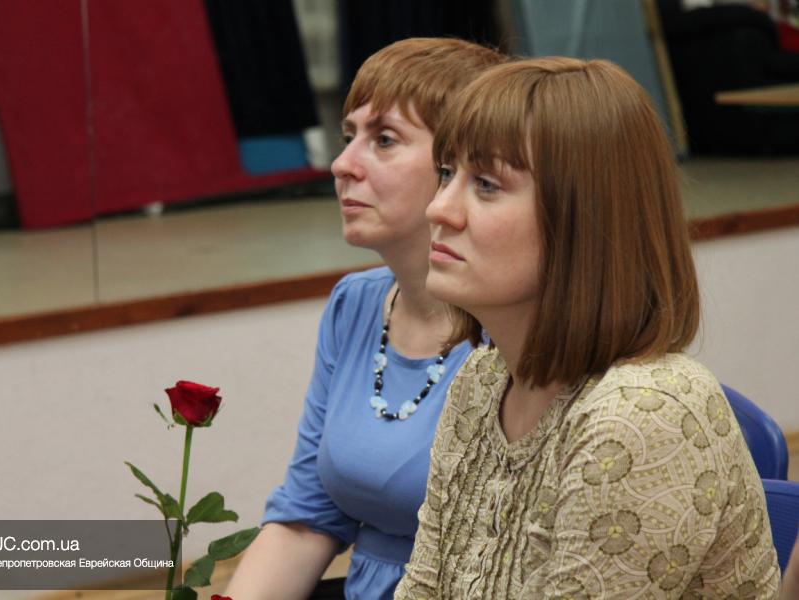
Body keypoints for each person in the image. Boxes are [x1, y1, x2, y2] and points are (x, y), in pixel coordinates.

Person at [394, 57, 781, 599]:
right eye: (445, 173)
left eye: (485, 183)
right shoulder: (483, 378)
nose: (439, 209)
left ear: (583, 218)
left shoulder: (643, 414)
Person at [224, 38, 505, 600]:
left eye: (384, 140)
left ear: (459, 167)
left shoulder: (517, 328)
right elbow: (307, 518)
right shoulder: (355, 304)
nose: (342, 164)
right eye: (348, 136)